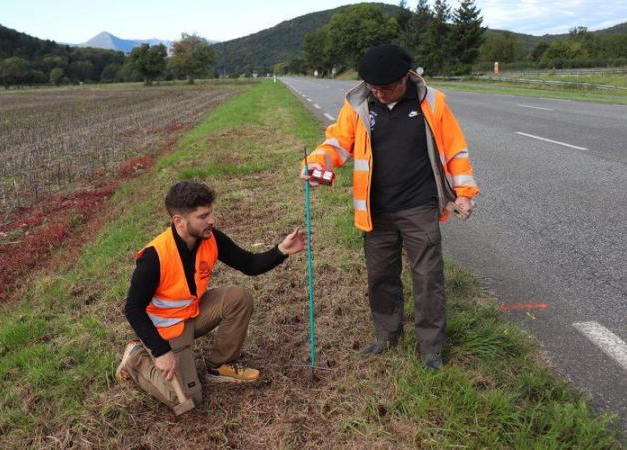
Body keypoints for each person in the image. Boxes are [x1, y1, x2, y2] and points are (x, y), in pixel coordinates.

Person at [300, 44, 478, 370]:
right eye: (374, 89)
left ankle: (431, 349)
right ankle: (387, 336)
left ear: (406, 78)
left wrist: (464, 192)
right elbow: (337, 143)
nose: (380, 94)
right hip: (375, 209)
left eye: (387, 88)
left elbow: (455, 151)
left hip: (419, 206)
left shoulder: (432, 103)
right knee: (380, 276)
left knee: (427, 277)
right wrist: (315, 164)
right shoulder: (358, 106)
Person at [115, 181, 305, 405]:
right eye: (203, 216)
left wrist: (281, 250)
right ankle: (136, 356)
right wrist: (160, 351)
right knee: (185, 399)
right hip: (166, 329)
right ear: (179, 221)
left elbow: (250, 265)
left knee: (238, 298)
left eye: (210, 213)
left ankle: (219, 366)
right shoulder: (154, 256)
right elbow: (133, 309)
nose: (211, 221)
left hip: (193, 313)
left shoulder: (211, 237)